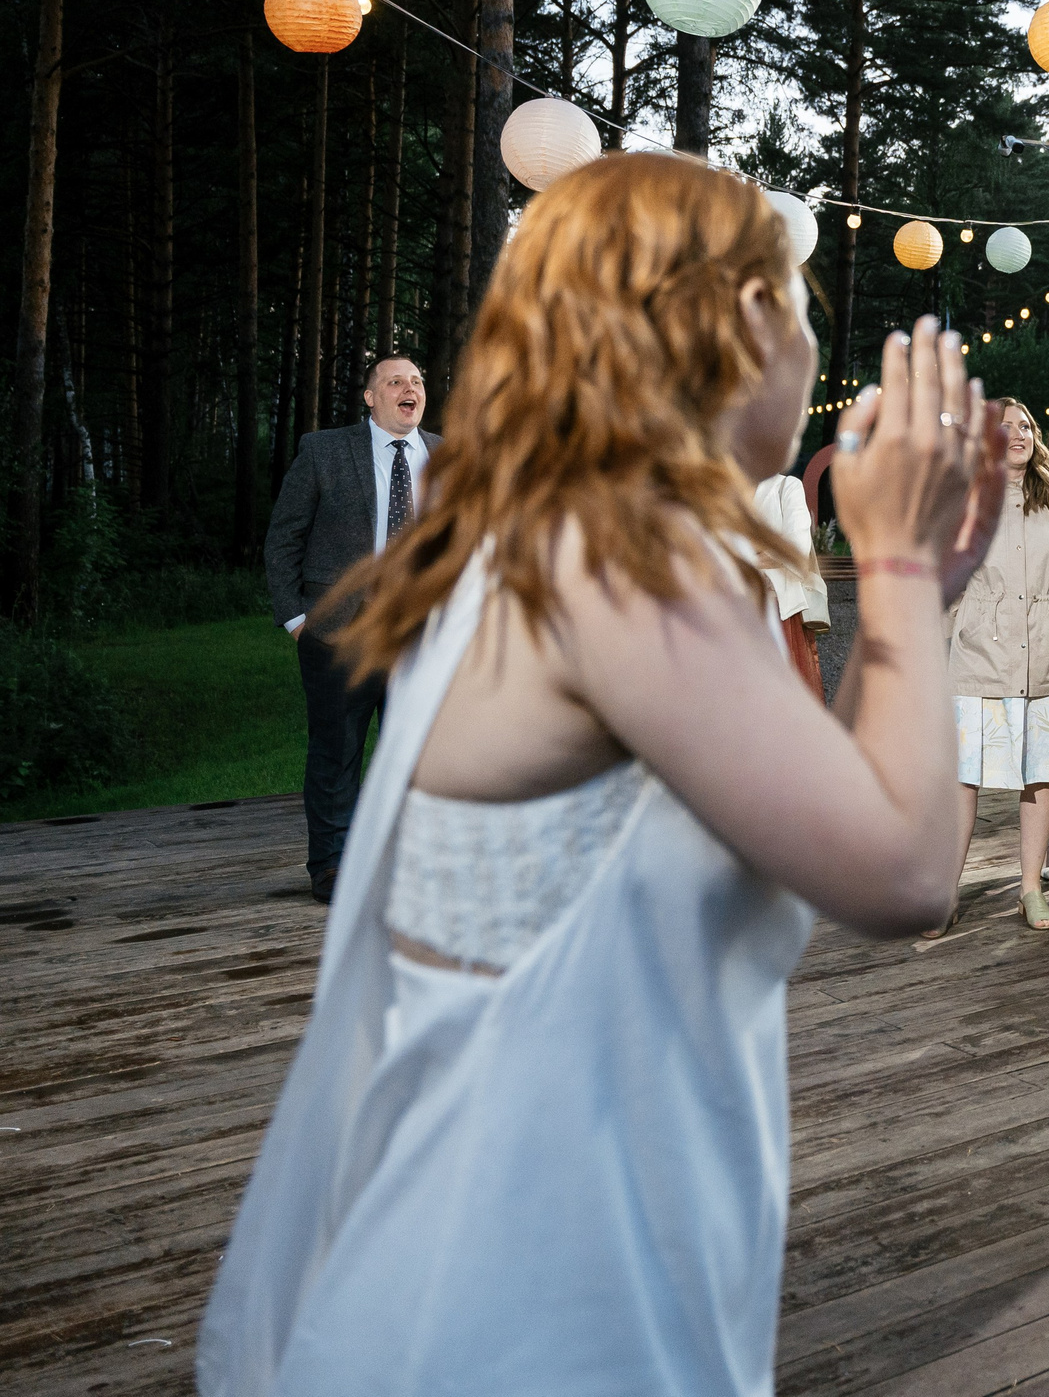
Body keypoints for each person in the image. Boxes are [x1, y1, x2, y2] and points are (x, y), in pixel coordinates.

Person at [198, 152, 999, 1396]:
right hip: (533, 1248)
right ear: (734, 322)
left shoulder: (572, 529)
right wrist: (891, 571)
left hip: (568, 1184)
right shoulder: (618, 556)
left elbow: (830, 805)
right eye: (796, 305)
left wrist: (920, 588)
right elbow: (903, 874)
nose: (808, 346)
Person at [264, 355, 438, 903]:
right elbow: (283, 538)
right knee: (336, 752)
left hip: (421, 634)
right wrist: (297, 620)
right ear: (370, 397)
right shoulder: (324, 451)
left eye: (416, 381)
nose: (409, 389)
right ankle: (332, 866)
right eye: (395, 381)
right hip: (339, 632)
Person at [952, 399, 1049, 929]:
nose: (1018, 434)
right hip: (980, 658)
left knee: (1044, 772)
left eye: (1026, 425)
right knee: (962, 777)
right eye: (1004, 427)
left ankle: (1031, 887)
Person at [751, 472, 828, 697]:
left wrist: (744, 556)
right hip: (734, 606)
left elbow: (796, 549)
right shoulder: (727, 487)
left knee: (780, 695)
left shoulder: (786, 486)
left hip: (779, 608)